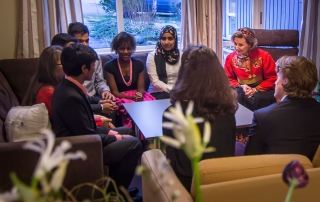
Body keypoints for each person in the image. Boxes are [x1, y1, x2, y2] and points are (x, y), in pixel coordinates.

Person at [50, 43, 142, 189]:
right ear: (84, 68)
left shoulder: (70, 86)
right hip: (82, 148)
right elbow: (87, 134)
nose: (95, 69)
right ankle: (115, 195)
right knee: (134, 143)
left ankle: (117, 188)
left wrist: (114, 133)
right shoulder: (70, 96)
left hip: (87, 138)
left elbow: (88, 126)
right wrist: (117, 137)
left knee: (128, 131)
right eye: (93, 65)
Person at [163, 45, 238, 191]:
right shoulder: (228, 110)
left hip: (188, 188)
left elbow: (172, 163)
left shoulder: (172, 113)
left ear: (185, 74)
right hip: (223, 186)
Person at [244, 56, 320, 161]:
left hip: (274, 175)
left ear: (285, 80)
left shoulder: (263, 116)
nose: (275, 82)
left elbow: (250, 159)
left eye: (277, 77)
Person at [22, 45, 115, 129]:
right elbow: (67, 121)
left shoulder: (61, 85)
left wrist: (99, 103)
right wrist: (98, 119)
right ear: (50, 67)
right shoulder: (48, 92)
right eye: (62, 63)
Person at [104, 32, 155, 133]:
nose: (126, 52)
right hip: (121, 97)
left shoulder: (139, 64)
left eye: (129, 48)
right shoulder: (109, 66)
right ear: (116, 49)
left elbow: (141, 87)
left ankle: (148, 140)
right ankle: (130, 137)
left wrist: (139, 94)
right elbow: (114, 92)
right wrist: (132, 98)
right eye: (122, 48)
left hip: (137, 95)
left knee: (149, 106)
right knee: (123, 107)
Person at [68, 22, 117, 116]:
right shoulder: (68, 60)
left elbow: (100, 81)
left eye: (87, 41)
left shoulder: (95, 57)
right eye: (80, 41)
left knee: (111, 104)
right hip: (77, 99)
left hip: (93, 97)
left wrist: (105, 91)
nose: (85, 45)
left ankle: (112, 129)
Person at [224, 27, 277, 111]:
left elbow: (272, 78)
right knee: (236, 95)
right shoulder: (230, 58)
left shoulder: (265, 56)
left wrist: (255, 89)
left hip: (261, 88)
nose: (236, 47)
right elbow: (228, 78)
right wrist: (242, 86)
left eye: (240, 45)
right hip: (241, 88)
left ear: (250, 45)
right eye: (235, 43)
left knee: (258, 99)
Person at [146, 25, 181, 100]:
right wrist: (173, 90)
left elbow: (185, 78)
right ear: (160, 39)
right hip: (157, 92)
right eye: (163, 38)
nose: (166, 42)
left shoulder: (182, 55)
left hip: (178, 92)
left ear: (175, 39)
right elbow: (155, 82)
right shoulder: (152, 56)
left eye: (170, 38)